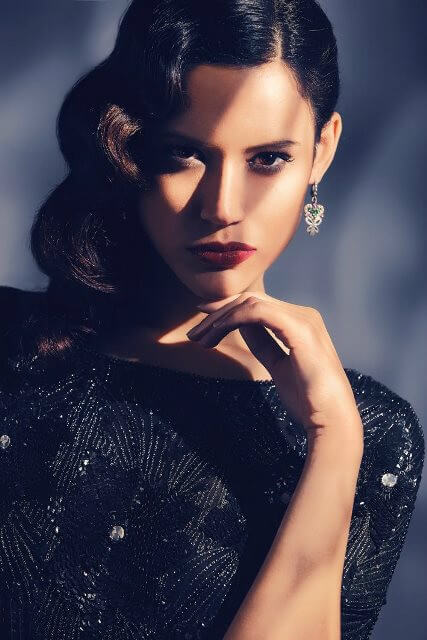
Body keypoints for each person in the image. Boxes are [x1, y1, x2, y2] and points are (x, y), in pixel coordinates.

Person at [0, 1, 424, 639]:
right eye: (183, 154)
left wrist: (335, 442)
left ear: (322, 151)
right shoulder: (12, 345)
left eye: (268, 158)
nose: (223, 207)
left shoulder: (374, 435)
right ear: (127, 150)